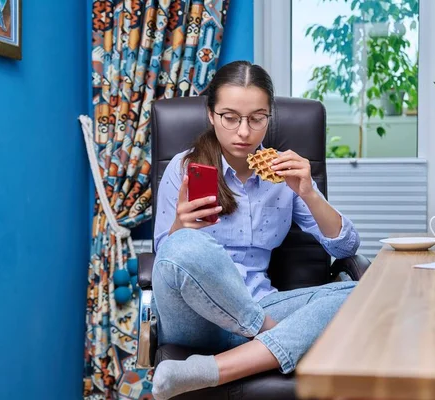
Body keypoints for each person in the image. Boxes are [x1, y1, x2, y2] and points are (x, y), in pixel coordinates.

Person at [150, 60, 361, 400]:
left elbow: (345, 247)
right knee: (185, 245)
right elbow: (167, 261)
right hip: (196, 318)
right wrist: (180, 227)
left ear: (268, 117)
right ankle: (274, 338)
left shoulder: (283, 174)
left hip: (263, 303)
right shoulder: (185, 167)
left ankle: (211, 370)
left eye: (256, 118)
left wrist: (307, 193)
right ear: (211, 115)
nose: (244, 132)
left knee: (362, 293)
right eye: (230, 117)